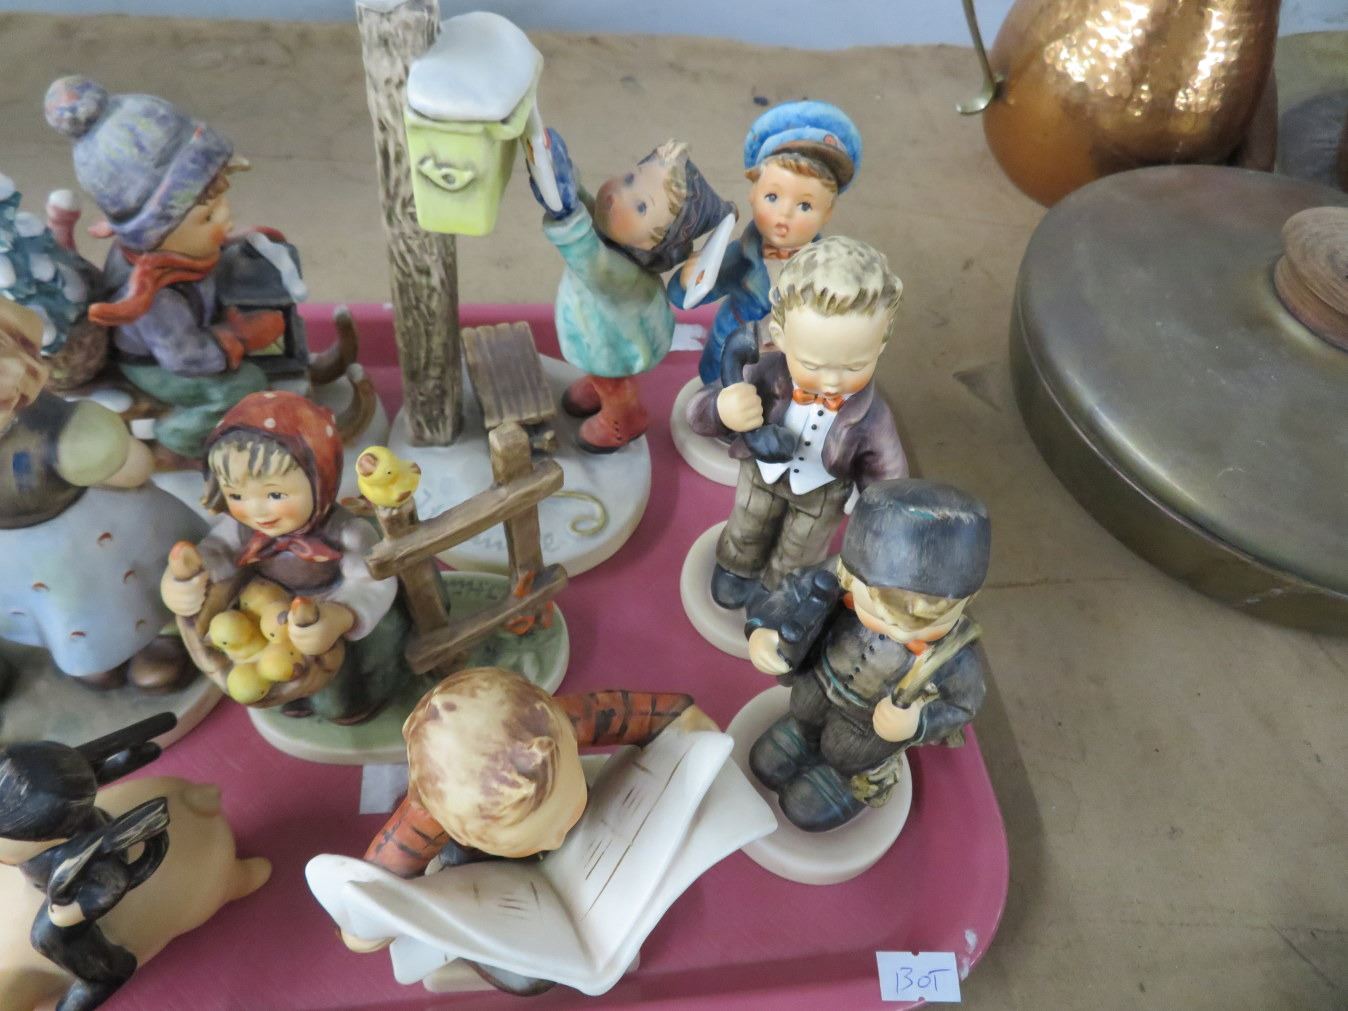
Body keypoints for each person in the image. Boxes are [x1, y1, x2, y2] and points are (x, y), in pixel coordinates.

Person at [349, 667, 702, 994]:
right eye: (539, 835)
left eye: (566, 812)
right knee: (527, 975)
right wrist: (366, 920)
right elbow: (377, 878)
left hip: (588, 856)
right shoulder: (428, 817)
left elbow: (631, 711)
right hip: (486, 875)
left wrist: (684, 722)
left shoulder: (557, 723)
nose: (557, 838)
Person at [45, 76, 289, 464]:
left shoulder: (183, 253)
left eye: (221, 203)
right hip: (156, 365)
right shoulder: (155, 295)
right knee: (243, 385)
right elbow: (185, 357)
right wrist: (239, 338)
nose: (226, 218)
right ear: (157, 234)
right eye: (208, 216)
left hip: (201, 329)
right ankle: (178, 440)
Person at [744, 479, 992, 832]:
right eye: (884, 610)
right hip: (818, 683)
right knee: (780, 744)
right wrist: (764, 631)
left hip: (866, 727)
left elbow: (964, 703)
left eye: (927, 618)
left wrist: (918, 722)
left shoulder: (953, 656)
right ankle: (802, 735)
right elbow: (790, 593)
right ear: (850, 574)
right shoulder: (835, 580)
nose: (900, 630)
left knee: (839, 764)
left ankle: (844, 778)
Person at [160, 391, 412, 723]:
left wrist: (340, 616)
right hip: (276, 616)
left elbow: (374, 583)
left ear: (320, 479)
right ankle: (299, 690)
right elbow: (216, 552)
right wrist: (184, 582)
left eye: (275, 494)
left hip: (338, 614)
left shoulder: (346, 533)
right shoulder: (241, 530)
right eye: (237, 495)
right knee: (285, 676)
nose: (256, 510)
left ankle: (363, 698)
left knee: (341, 698)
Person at [687, 235, 908, 608]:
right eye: (812, 364)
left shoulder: (873, 417)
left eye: (854, 366)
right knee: (747, 521)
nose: (832, 382)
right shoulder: (764, 371)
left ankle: (780, 589)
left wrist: (881, 516)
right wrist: (724, 409)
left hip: (822, 491)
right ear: (780, 337)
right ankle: (736, 567)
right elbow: (698, 413)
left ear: (880, 346)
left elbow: (888, 473)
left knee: (802, 548)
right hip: (762, 472)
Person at [0, 296, 203, 690]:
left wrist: (111, 457)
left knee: (141, 576)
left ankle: (164, 633)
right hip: (20, 553)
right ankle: (90, 651)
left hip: (91, 521)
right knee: (65, 603)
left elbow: (129, 464)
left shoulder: (45, 421)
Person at [529, 130, 734, 452]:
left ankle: (623, 418)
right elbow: (587, 209)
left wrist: (566, 216)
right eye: (629, 179)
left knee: (612, 378)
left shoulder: (620, 273)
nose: (618, 195)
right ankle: (598, 386)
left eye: (640, 207)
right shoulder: (615, 233)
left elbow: (589, 257)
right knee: (600, 372)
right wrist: (562, 176)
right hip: (600, 333)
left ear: (656, 242)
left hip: (614, 343)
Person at [668, 100, 861, 384]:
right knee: (722, 396)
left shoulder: (829, 267)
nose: (784, 215)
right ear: (753, 195)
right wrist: (688, 281)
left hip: (792, 360)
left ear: (828, 212)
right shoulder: (742, 256)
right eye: (772, 197)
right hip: (734, 351)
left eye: (805, 205)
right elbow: (692, 296)